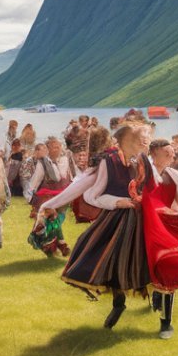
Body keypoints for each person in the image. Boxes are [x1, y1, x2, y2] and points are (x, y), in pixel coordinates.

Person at [59, 123, 151, 329]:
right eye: (138, 139)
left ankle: (157, 300)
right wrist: (118, 202)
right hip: (118, 218)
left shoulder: (145, 161)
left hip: (145, 216)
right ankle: (119, 303)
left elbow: (157, 187)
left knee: (148, 259)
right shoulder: (108, 163)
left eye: (144, 139)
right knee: (112, 259)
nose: (143, 142)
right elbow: (92, 195)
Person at [136, 138, 178, 338]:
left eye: (173, 152)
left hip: (166, 231)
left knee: (171, 269)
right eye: (168, 152)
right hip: (145, 228)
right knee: (147, 270)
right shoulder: (143, 172)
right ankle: (132, 300)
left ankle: (166, 323)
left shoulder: (174, 175)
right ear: (154, 153)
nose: (172, 155)